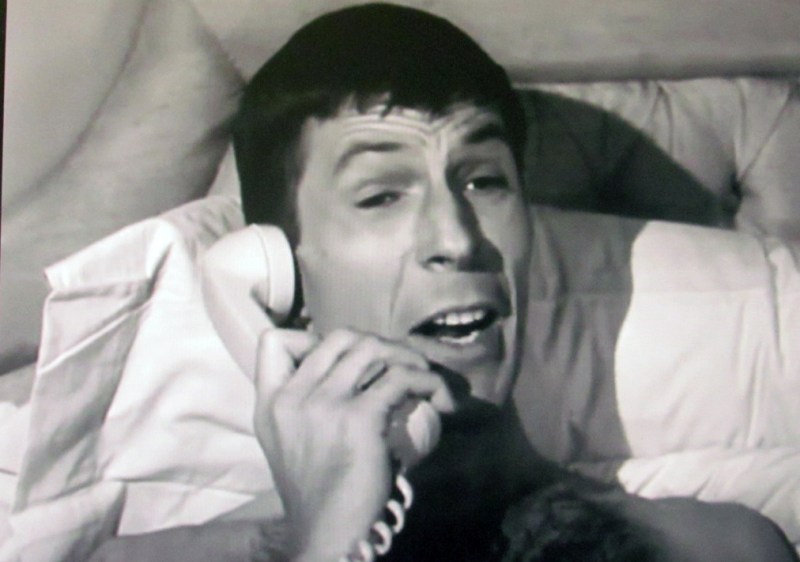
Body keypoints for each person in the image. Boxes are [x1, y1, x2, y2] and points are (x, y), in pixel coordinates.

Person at [91, 4, 798, 561]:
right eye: (380, 196)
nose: (458, 240)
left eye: (484, 182)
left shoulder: (715, 546)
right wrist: (330, 540)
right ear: (280, 275)